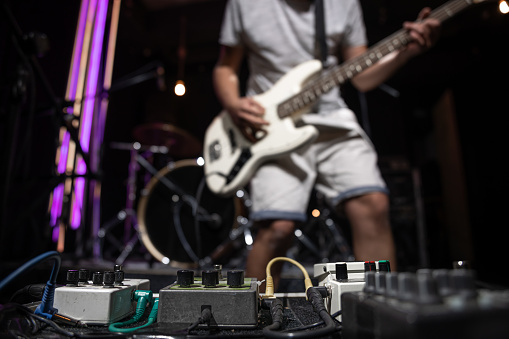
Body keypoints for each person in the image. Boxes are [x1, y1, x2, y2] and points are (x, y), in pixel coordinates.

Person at [212, 0, 441, 291]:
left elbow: (362, 75)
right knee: (276, 229)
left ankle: (382, 316)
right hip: (268, 127)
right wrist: (233, 104)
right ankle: (246, 322)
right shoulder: (245, 4)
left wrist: (406, 52)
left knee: (372, 204)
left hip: (330, 117)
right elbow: (225, 67)